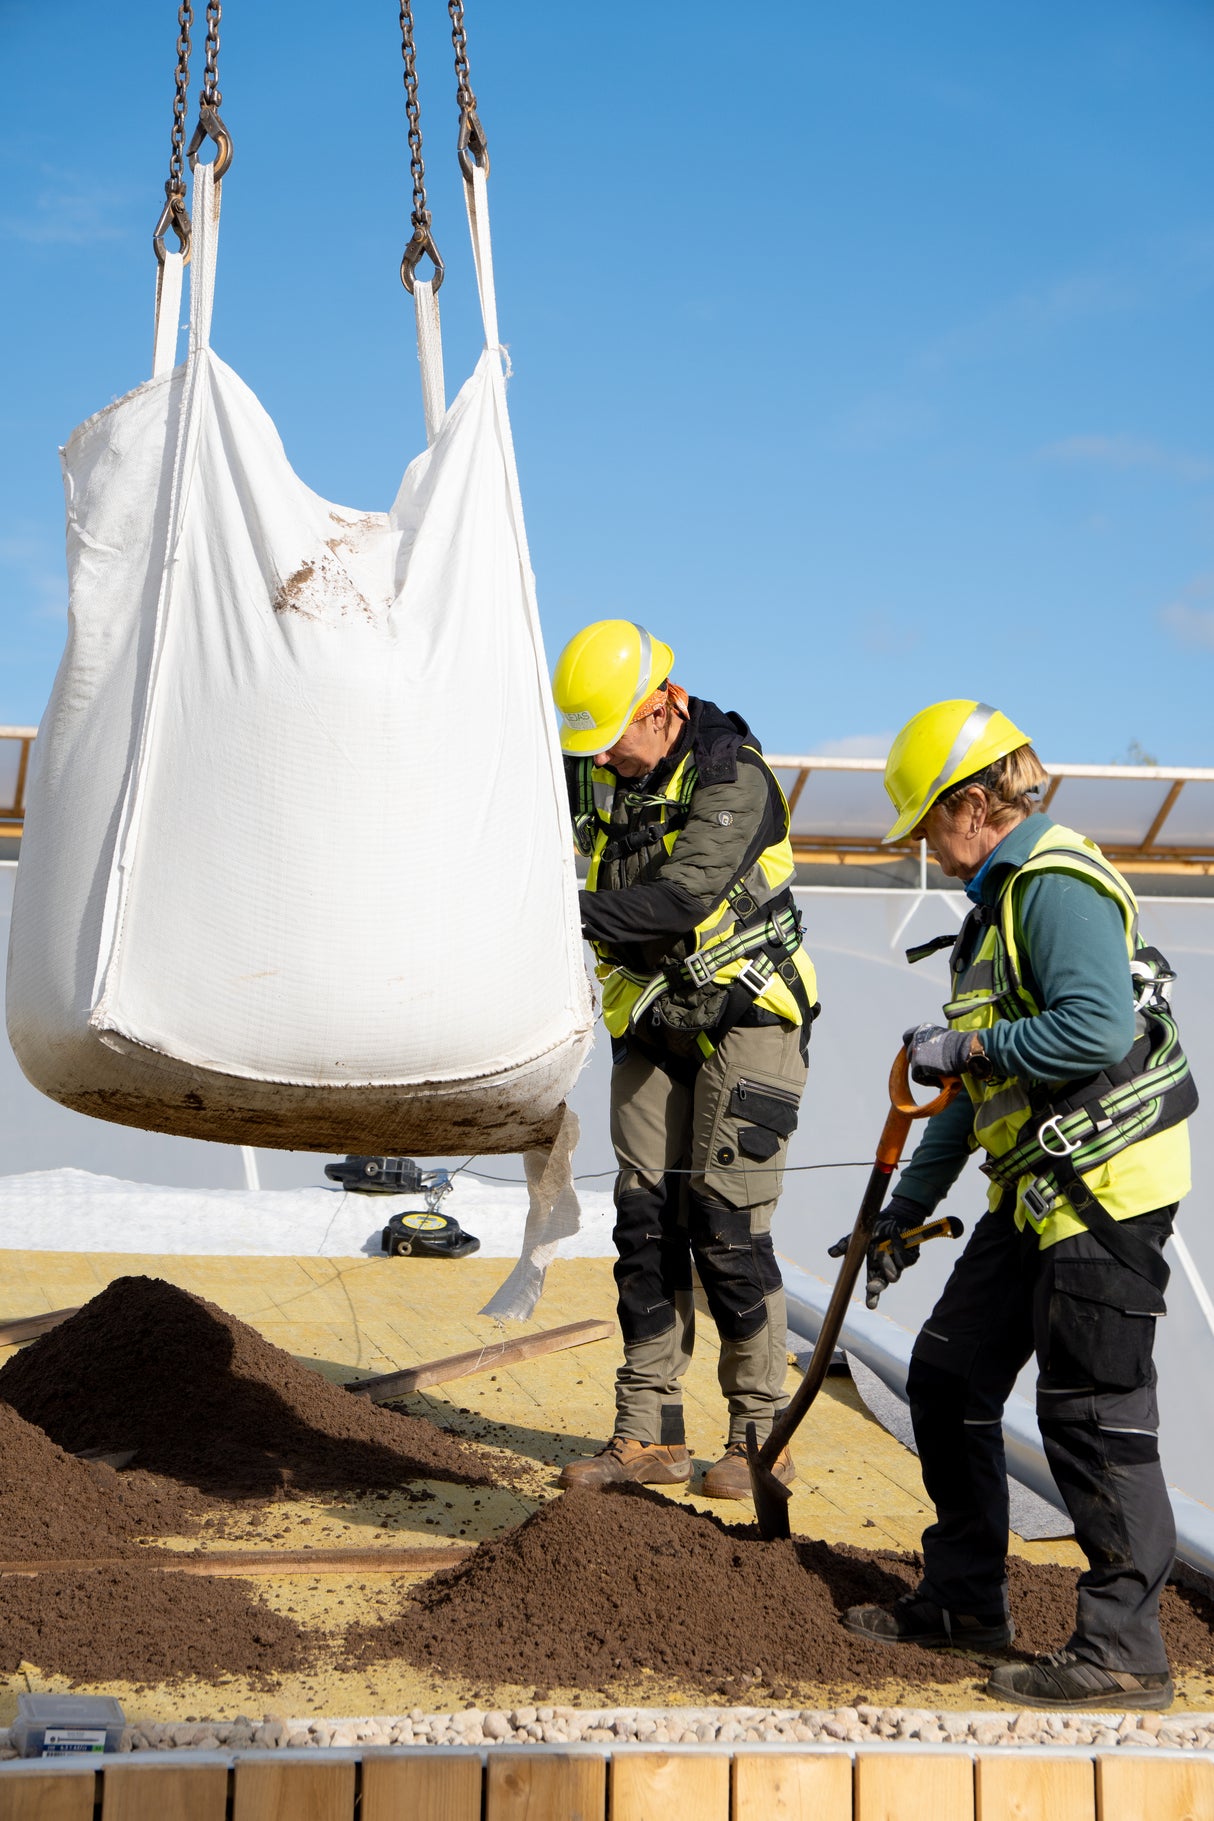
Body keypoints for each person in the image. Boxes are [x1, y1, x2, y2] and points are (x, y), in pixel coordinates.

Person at [842, 699, 1196, 1711]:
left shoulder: (1052, 887)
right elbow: (966, 1101)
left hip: (1104, 1190)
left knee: (1090, 1415)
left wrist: (975, 1046)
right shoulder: (992, 913)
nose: (924, 849)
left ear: (968, 805)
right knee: (947, 1377)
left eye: (924, 827)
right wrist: (902, 1213)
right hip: (1036, 1190)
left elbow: (1089, 1031)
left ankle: (1122, 1653)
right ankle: (962, 1601)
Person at [550, 620, 819, 1498]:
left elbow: (679, 901)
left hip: (750, 1015)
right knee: (644, 1222)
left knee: (727, 1226)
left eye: (616, 738)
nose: (607, 761)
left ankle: (758, 1438)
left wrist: (552, 908)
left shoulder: (731, 771)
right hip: (651, 1017)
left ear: (663, 704)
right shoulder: (590, 764)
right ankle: (648, 1434)